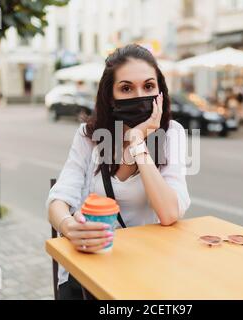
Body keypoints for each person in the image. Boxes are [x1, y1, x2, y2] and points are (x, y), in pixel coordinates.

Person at [46, 44, 191, 300]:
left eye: (148, 86)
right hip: (91, 269)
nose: (139, 95)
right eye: (126, 88)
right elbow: (58, 201)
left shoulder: (172, 134)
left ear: (160, 91)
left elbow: (169, 213)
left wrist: (137, 142)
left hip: (148, 267)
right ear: (111, 97)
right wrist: (69, 227)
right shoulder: (88, 137)